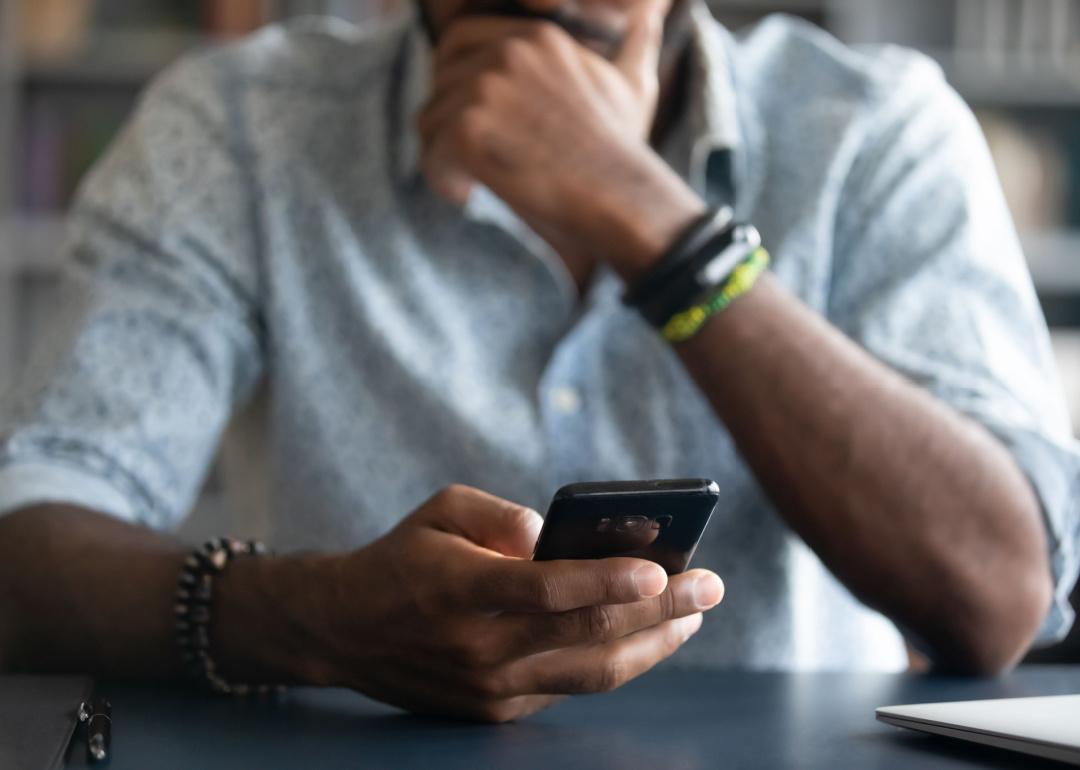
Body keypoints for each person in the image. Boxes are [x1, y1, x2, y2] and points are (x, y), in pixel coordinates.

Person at [0, 0, 1076, 722]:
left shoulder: (875, 129)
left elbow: (996, 593)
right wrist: (311, 616)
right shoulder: (239, 126)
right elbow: (28, 543)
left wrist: (662, 231)